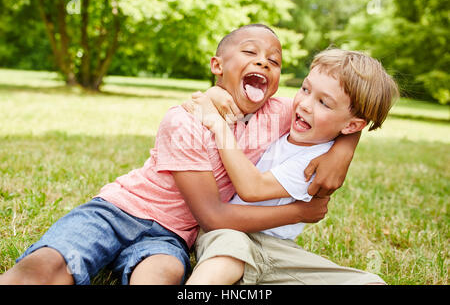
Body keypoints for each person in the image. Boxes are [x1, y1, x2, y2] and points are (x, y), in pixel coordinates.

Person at [0, 24, 359, 285]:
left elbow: (347, 110)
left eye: (274, 61)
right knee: (47, 264)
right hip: (116, 211)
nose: (264, 63)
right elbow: (212, 214)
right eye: (250, 53)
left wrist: (343, 151)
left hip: (170, 236)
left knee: (163, 275)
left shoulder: (281, 113)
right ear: (217, 66)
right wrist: (298, 211)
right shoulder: (186, 121)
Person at [184, 48, 399, 285]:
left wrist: (219, 127)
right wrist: (214, 95)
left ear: (352, 126)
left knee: (371, 282)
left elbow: (252, 188)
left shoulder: (318, 162)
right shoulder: (284, 115)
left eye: (324, 103)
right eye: (305, 89)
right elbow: (232, 95)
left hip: (278, 249)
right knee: (226, 260)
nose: (305, 104)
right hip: (229, 233)